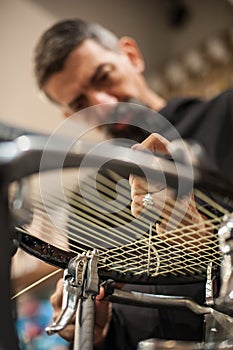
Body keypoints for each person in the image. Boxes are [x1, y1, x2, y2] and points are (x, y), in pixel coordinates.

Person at [33, 19, 233, 349]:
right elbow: (117, 323)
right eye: (80, 103)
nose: (103, 102)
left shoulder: (226, 116)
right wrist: (98, 330)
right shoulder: (86, 205)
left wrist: (206, 246)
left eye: (103, 76)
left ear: (131, 55)